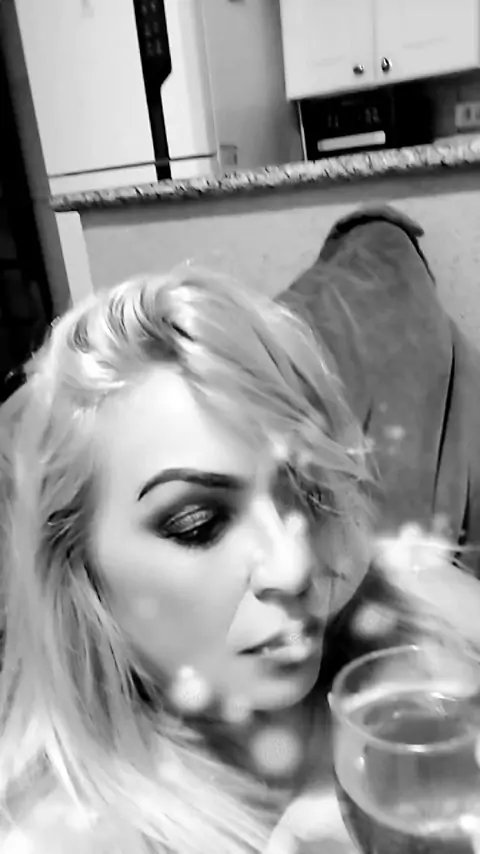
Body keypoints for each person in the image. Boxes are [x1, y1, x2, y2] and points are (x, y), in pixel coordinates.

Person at [0, 267, 475, 853]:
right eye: (199, 525)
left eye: (309, 490)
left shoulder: (422, 607)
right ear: (79, 570)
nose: (293, 566)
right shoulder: (61, 836)